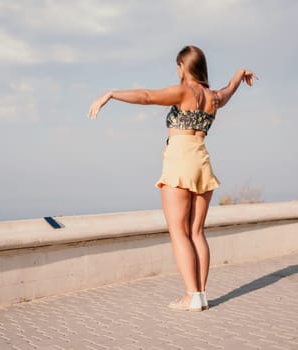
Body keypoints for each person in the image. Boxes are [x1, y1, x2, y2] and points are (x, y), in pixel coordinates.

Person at [88, 45, 257, 312]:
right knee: (197, 232)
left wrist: (110, 94)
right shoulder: (213, 98)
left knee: (179, 232)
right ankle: (200, 294)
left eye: (178, 67)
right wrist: (238, 74)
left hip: (180, 161)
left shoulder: (184, 91)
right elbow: (229, 90)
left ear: (182, 67)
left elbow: (146, 96)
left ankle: (191, 295)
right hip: (202, 161)